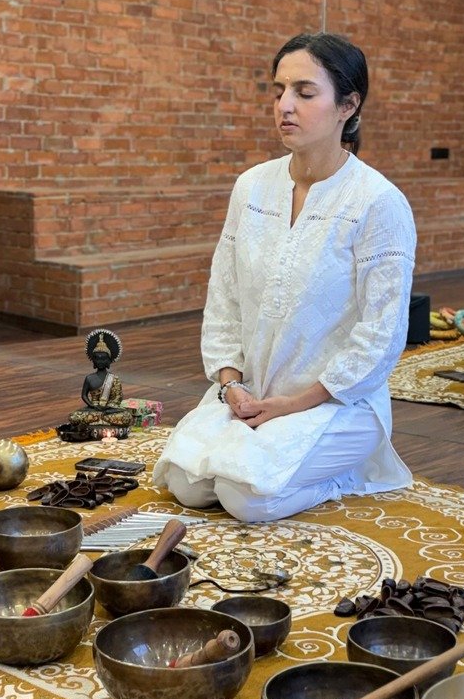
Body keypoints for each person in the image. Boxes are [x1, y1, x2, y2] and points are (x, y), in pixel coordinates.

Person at [153, 32, 416, 522]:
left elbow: (382, 335)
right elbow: (224, 296)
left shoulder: (377, 203)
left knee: (246, 499)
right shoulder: (252, 187)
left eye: (305, 92)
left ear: (348, 105)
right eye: (279, 91)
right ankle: (257, 446)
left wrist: (297, 403)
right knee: (185, 483)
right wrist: (232, 385)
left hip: (339, 404)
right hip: (253, 396)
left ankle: (347, 474)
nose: (285, 106)